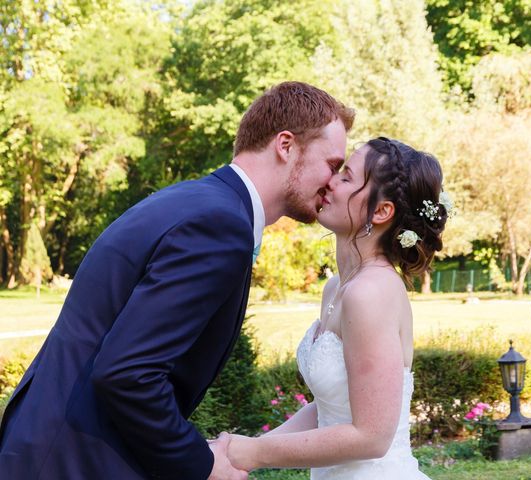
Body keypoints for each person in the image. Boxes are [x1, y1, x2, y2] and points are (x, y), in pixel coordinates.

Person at [0, 82, 354, 480]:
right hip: (73, 461)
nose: (334, 181)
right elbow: (127, 373)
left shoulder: (196, 201)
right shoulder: (220, 225)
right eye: (332, 164)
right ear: (285, 145)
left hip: (49, 444)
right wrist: (201, 464)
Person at [222, 138, 448, 479]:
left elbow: (372, 437)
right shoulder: (337, 288)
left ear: (381, 211)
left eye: (346, 176)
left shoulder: (371, 292)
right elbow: (329, 410)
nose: (330, 181)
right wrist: (237, 454)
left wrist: (252, 453)